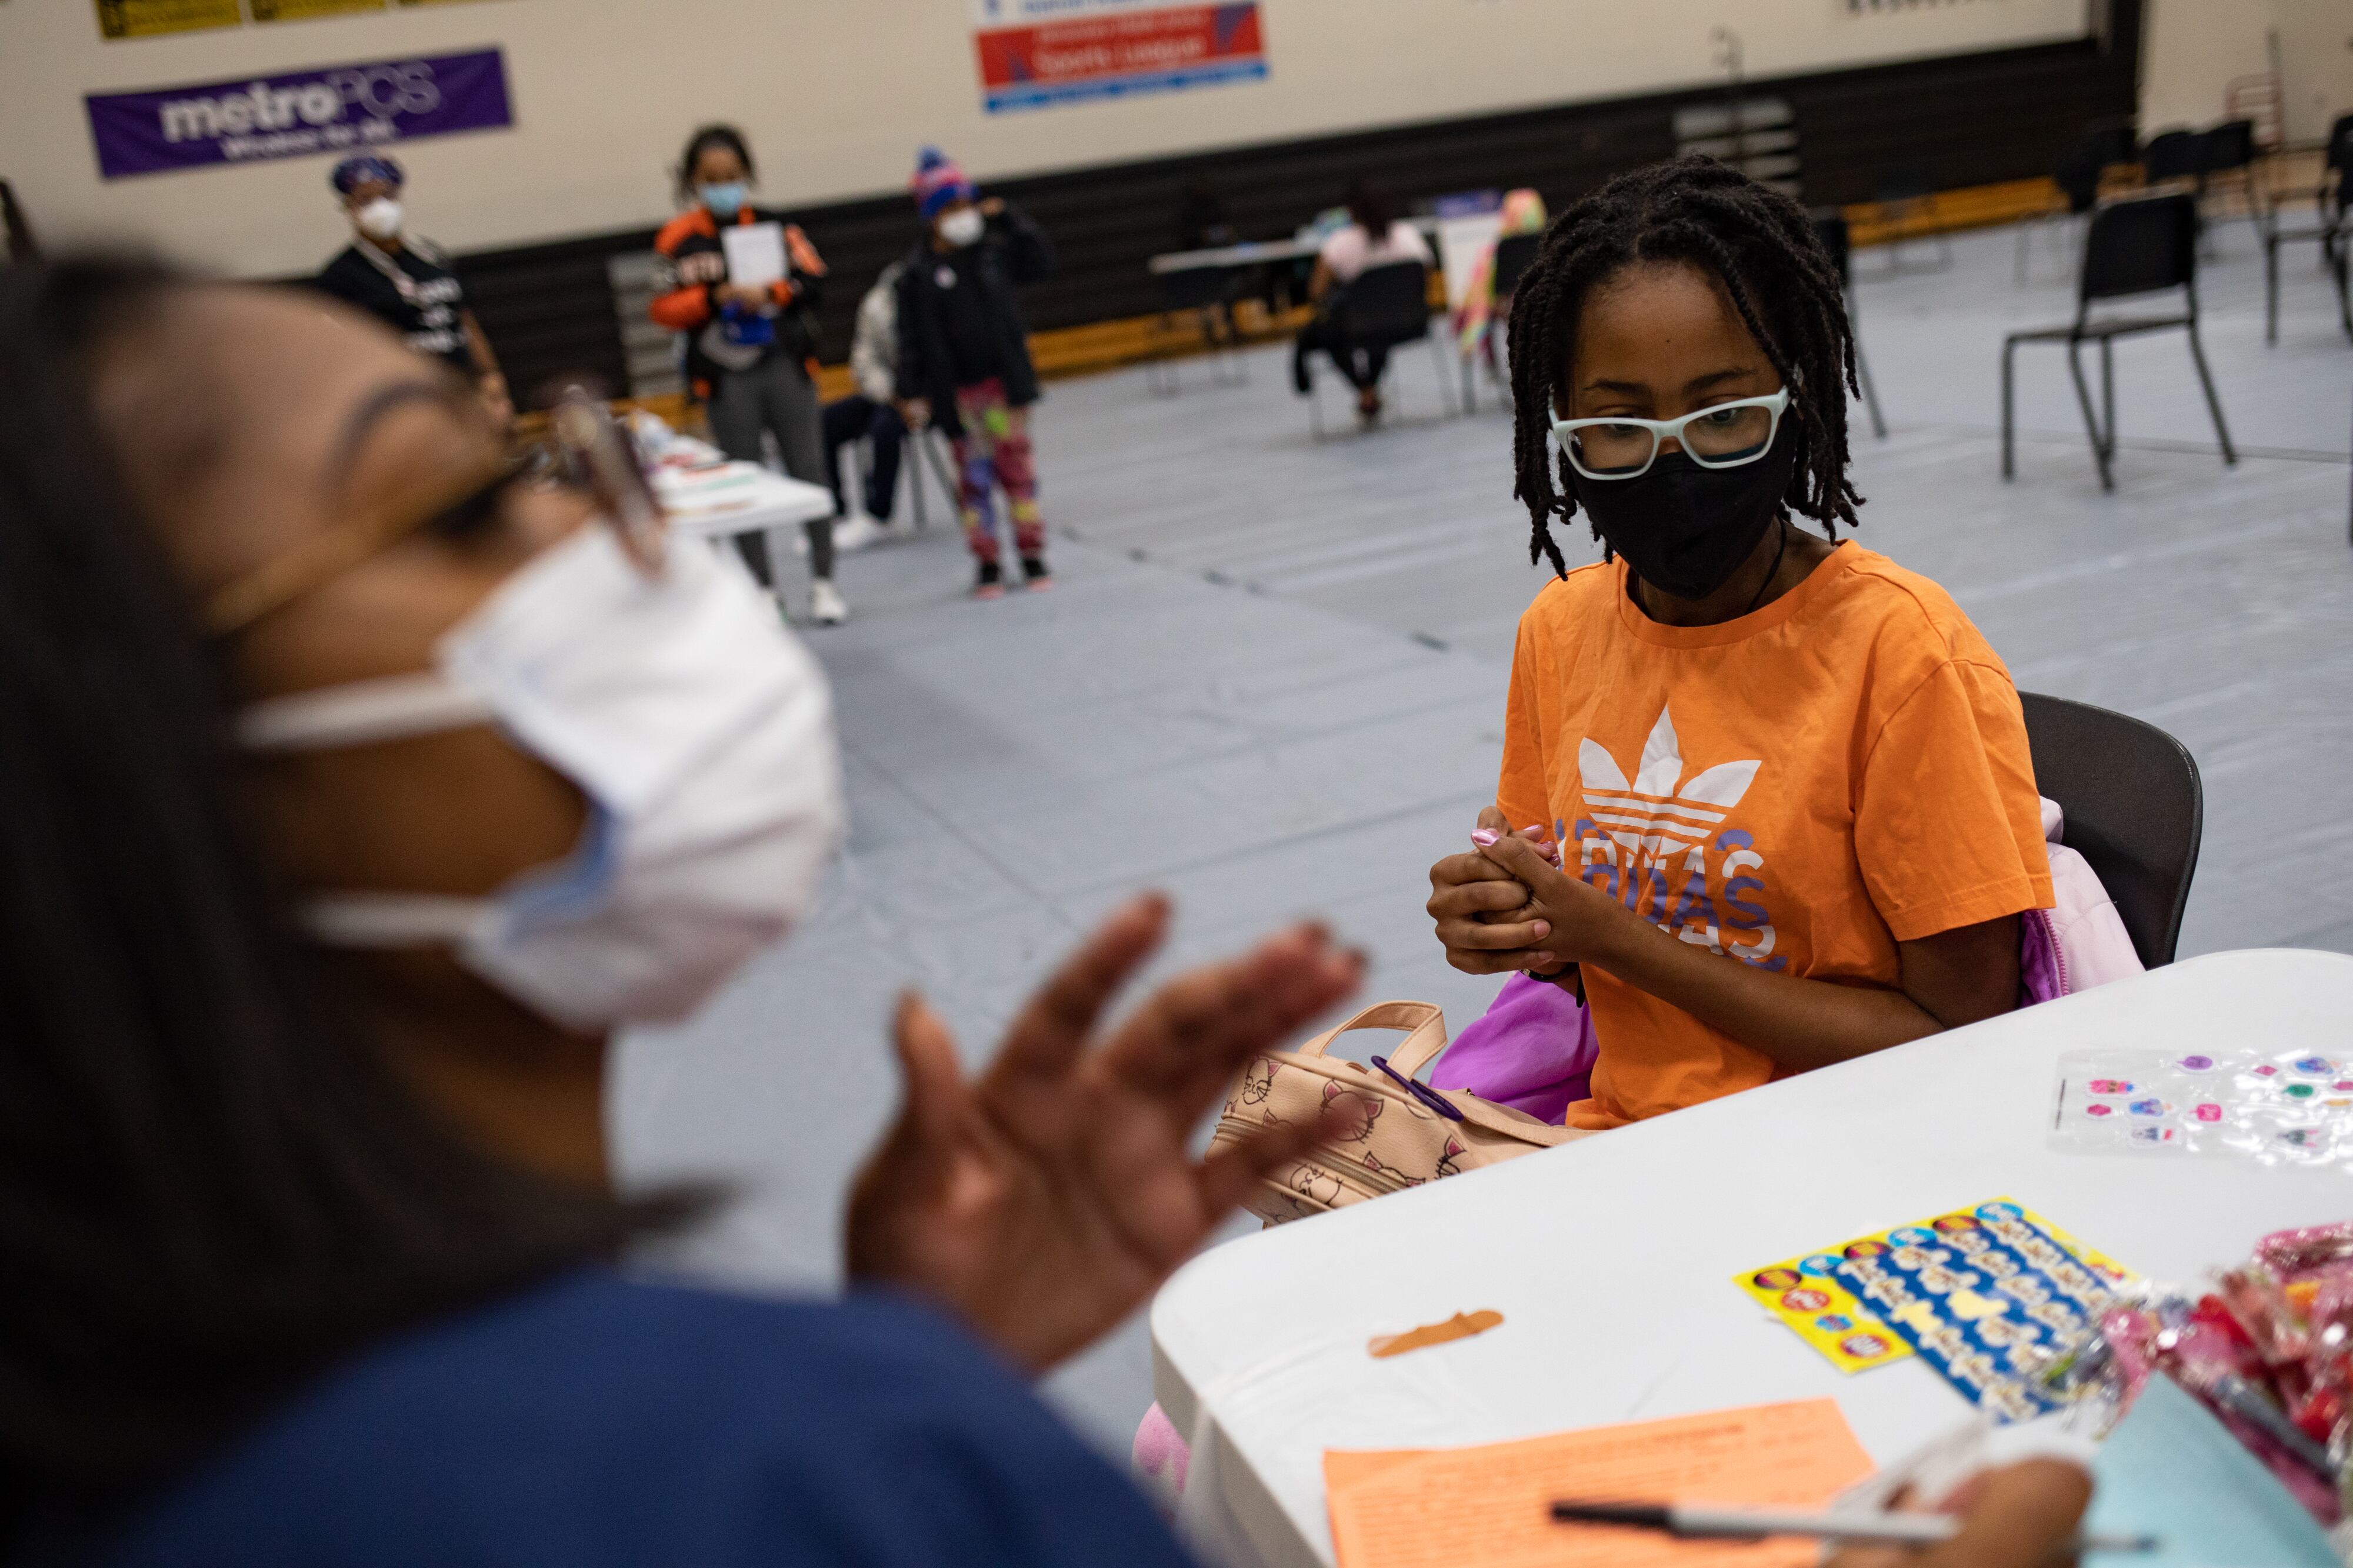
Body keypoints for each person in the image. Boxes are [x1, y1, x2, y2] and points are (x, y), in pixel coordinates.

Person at [0, 253, 1367, 1563]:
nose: (604, 531)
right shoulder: (802, 1481)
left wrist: (913, 1359)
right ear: (145, 770)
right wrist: (885, 1435)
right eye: (467, 504)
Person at [1425, 156, 2051, 1132]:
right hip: (1630, 1144)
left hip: (1861, 1164)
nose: (1671, 462)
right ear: (1560, 433)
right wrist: (1527, 929)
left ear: (1797, 405)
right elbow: (1590, 969)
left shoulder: (1902, 655)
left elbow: (1963, 1033)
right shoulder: (1561, 631)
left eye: (1723, 415)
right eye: (1618, 425)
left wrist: (1620, 943)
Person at [649, 124, 847, 626]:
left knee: (809, 470)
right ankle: (763, 591)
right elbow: (661, 307)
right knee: (742, 481)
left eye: (732, 176)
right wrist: (709, 299)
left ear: (748, 175)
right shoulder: (677, 239)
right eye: (712, 178)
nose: (723, 185)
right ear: (693, 180)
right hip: (725, 376)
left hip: (784, 364)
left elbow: (815, 279)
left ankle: (824, 583)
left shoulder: (777, 227)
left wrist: (774, 294)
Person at [895, 147, 1058, 600]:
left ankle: (1032, 553)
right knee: (974, 481)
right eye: (949, 209)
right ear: (930, 217)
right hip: (959, 396)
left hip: (1003, 389)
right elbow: (911, 340)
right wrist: (912, 391)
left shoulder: (994, 253)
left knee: (1018, 473)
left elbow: (1041, 261)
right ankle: (987, 560)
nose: (961, 216)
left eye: (965, 206)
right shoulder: (917, 275)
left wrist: (1010, 217)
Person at [312, 154, 510, 431]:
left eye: (386, 196)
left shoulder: (431, 254)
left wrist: (491, 376)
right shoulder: (341, 276)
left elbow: (464, 320)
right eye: (365, 200)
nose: (379, 207)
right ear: (348, 207)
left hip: (461, 386)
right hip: (405, 403)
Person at [1291, 180, 1434, 423]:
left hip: (1360, 326)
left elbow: (1316, 292)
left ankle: (1365, 390)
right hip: (1411, 321)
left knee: (1333, 334)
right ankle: (1369, 391)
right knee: (1379, 332)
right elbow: (1426, 277)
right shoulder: (1408, 235)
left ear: (1350, 212)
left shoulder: (1339, 243)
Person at [819, 259, 909, 540]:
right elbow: (864, 357)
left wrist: (913, 395)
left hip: (927, 399)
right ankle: (834, 511)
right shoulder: (877, 304)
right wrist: (888, 394)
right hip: (886, 393)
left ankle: (878, 516)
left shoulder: (936, 304)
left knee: (884, 429)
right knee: (824, 423)